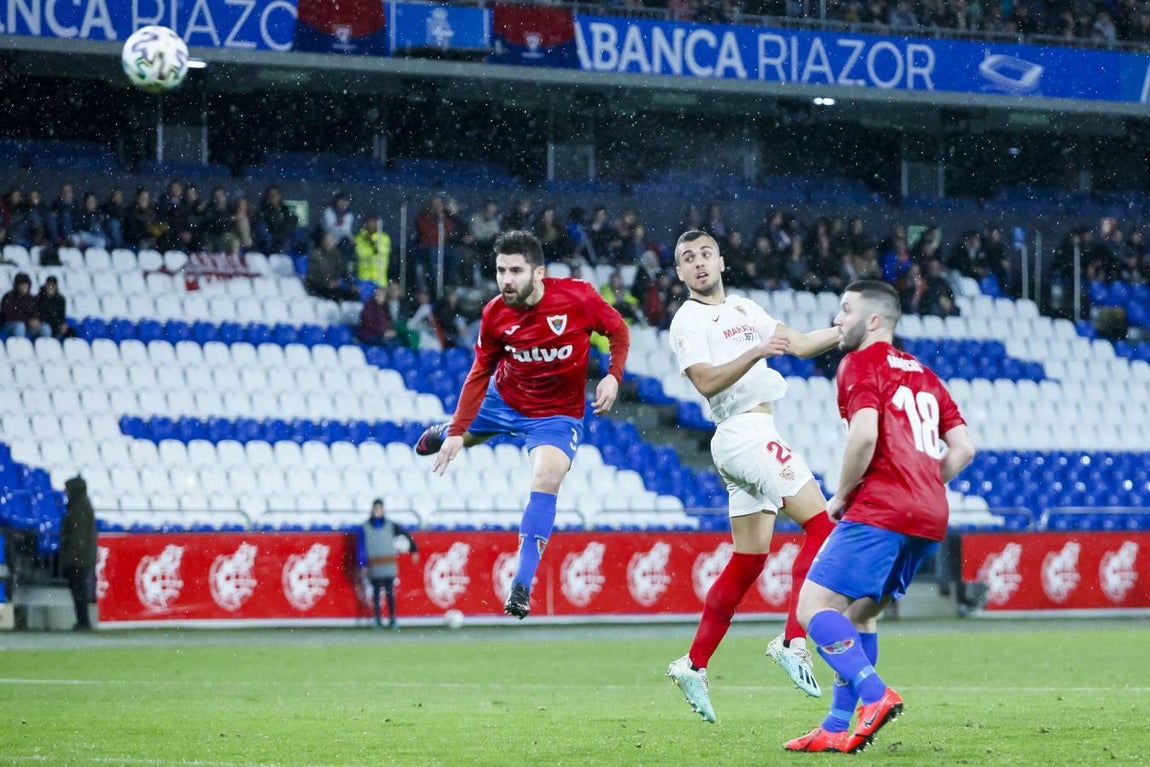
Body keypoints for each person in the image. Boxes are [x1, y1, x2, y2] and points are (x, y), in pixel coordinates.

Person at [784, 280, 974, 754]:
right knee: (860, 615)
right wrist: (924, 485)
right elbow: (965, 449)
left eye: (845, 311)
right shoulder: (926, 375)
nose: (836, 321)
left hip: (881, 509)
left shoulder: (859, 363)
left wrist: (841, 495)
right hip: (929, 517)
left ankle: (875, 694)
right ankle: (834, 726)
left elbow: (864, 437)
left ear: (874, 320)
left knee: (814, 608)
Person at [663, 230, 840, 723]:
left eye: (704, 255)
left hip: (752, 432)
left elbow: (800, 344)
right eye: (687, 259)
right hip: (742, 430)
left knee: (748, 560)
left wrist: (847, 331)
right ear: (679, 273)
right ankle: (793, 640)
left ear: (720, 261)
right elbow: (704, 381)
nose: (698, 264)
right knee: (823, 528)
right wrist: (756, 353)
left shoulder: (745, 309)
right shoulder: (688, 320)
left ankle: (693, 664)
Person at [413, 230, 629, 619]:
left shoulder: (577, 298)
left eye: (515, 270)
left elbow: (618, 330)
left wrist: (613, 374)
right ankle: (449, 431)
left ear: (539, 272)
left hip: (556, 415)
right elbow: (479, 372)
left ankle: (521, 584)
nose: (506, 280)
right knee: (465, 435)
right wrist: (460, 431)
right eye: (500, 271)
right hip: (504, 402)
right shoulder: (496, 313)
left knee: (547, 478)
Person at [356, 499, 419, 629]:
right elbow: (361, 547)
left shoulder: (390, 525)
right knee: (376, 594)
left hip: (388, 566)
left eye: (379, 509)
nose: (377, 511)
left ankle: (392, 618)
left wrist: (413, 549)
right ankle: (378, 619)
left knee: (390, 593)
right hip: (374, 566)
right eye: (375, 509)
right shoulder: (365, 528)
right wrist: (362, 564)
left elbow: (406, 534)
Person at [60, 476, 98, 631]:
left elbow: (78, 536)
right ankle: (83, 621)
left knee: (79, 591)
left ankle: (83, 622)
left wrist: (71, 558)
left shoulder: (78, 507)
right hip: (82, 557)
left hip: (78, 559)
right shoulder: (82, 505)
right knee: (80, 590)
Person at [1, 272, 50, 339]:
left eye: (26, 284)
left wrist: (36, 321)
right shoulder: (9, 297)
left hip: (27, 326)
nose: (24, 286)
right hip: (9, 326)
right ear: (16, 285)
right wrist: (28, 321)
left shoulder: (31, 298)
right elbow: (8, 316)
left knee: (45, 328)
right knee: (20, 326)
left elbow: (35, 313)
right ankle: (20, 348)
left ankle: (43, 348)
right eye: (21, 284)